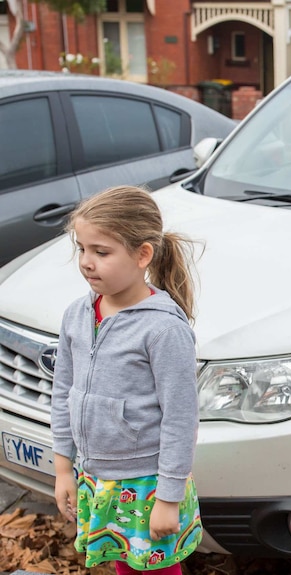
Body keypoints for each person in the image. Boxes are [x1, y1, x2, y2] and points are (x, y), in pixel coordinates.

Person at [51, 186, 202, 574]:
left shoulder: (163, 329)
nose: (86, 262)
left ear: (143, 255)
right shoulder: (76, 314)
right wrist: (63, 468)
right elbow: (63, 393)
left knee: (153, 570)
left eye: (101, 252)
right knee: (124, 564)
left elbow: (180, 418)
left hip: (149, 485)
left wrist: (168, 498)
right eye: (81, 248)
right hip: (98, 477)